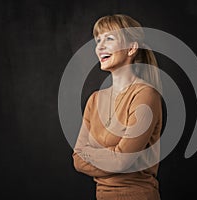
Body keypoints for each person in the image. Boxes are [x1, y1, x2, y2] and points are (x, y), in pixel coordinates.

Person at [72, 14, 163, 200]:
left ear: (131, 48)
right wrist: (111, 156)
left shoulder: (145, 95)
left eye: (109, 38)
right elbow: (77, 159)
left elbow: (122, 161)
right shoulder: (94, 100)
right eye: (98, 40)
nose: (100, 46)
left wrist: (92, 154)